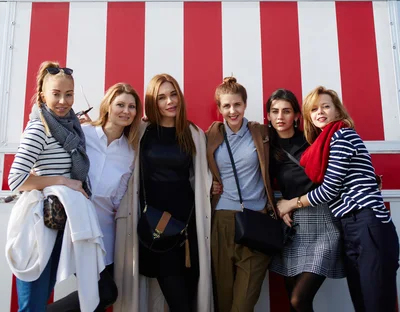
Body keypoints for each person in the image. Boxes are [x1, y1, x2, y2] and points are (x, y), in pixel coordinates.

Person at [276, 86, 400, 312]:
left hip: (367, 222)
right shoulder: (325, 143)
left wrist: (290, 204)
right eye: (314, 109)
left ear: (337, 110)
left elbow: (329, 189)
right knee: (362, 302)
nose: (319, 112)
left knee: (376, 304)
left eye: (325, 106)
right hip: (350, 225)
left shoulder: (342, 135)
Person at [113, 73, 213, 312]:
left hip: (188, 229)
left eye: (173, 94)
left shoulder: (193, 133)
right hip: (155, 227)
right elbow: (111, 139)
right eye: (162, 97)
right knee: (178, 302)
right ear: (152, 102)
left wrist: (214, 184)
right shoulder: (141, 130)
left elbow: (200, 176)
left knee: (188, 298)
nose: (170, 101)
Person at [47, 82, 142, 312]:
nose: (126, 111)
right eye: (120, 104)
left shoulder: (130, 151)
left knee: (99, 300)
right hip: (74, 227)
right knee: (103, 293)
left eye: (131, 107)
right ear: (108, 106)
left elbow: (119, 196)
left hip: (105, 233)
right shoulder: (83, 134)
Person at [8, 61, 92, 312]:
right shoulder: (39, 128)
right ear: (43, 94)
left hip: (60, 222)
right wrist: (63, 181)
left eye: (69, 94)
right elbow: (16, 179)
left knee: (46, 300)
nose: (63, 101)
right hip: (38, 225)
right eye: (56, 94)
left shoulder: (70, 127)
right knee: (33, 303)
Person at [266, 88, 344, 312]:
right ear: (268, 116)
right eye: (274, 111)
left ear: (298, 116)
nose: (280, 117)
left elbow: (335, 175)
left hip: (323, 222)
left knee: (299, 299)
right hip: (293, 228)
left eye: (286, 111)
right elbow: (259, 184)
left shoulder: (313, 138)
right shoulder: (267, 148)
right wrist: (280, 207)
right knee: (294, 299)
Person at [206, 76, 276, 312]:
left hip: (256, 219)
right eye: (226, 106)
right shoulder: (211, 135)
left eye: (237, 104)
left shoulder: (261, 133)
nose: (232, 111)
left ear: (245, 104)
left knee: (243, 303)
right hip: (223, 219)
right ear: (219, 109)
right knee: (223, 299)